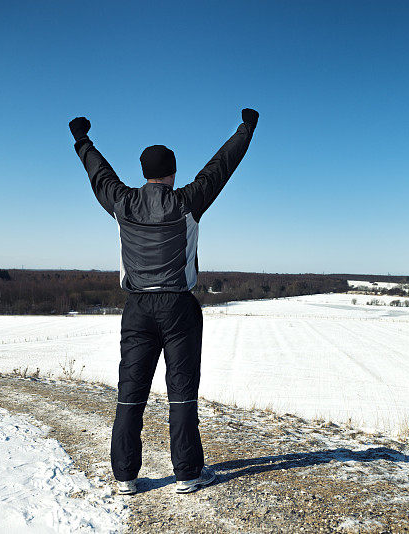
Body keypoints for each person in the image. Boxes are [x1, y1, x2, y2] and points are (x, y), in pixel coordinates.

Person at [68, 108, 259, 494]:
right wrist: (246, 129)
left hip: (137, 308)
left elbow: (99, 174)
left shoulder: (122, 202)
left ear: (143, 172)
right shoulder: (187, 201)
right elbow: (220, 166)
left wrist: (82, 140)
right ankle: (187, 473)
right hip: (177, 307)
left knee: (131, 391)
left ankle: (125, 476)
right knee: (182, 390)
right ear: (171, 172)